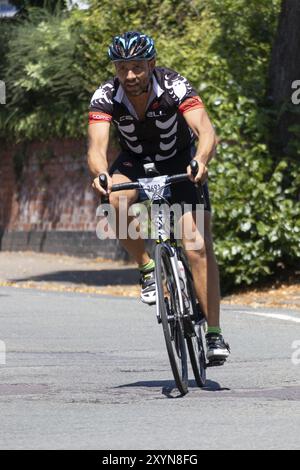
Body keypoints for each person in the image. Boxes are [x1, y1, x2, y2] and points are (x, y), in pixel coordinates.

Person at [87, 31, 230, 364]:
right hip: (134, 162)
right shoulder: (106, 96)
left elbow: (206, 131)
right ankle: (147, 267)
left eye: (137, 67)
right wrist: (101, 175)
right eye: (123, 68)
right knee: (115, 201)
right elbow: (96, 148)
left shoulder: (174, 85)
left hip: (180, 161)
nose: (131, 76)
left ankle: (214, 334)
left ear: (151, 63)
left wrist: (202, 160)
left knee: (196, 247)